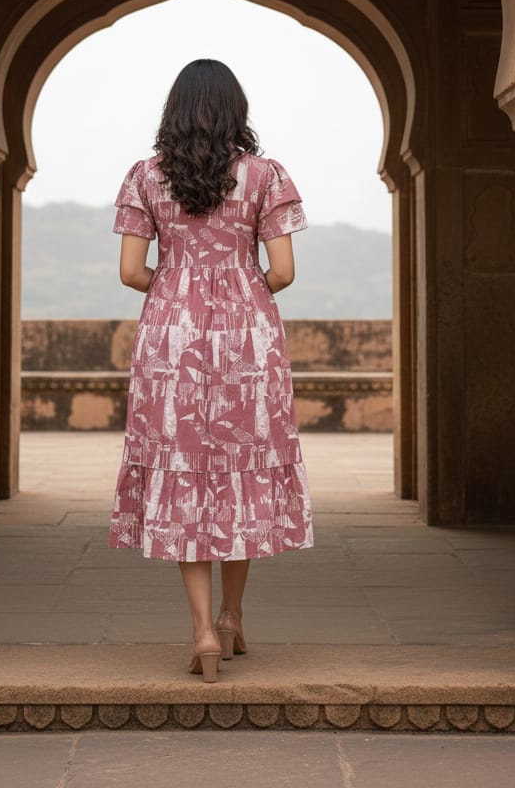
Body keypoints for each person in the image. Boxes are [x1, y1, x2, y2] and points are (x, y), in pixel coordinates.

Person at [107, 58, 314, 683]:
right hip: (248, 341)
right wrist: (240, 291)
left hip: (171, 338)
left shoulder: (146, 177)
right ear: (235, 110)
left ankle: (199, 632)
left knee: (184, 472)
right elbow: (283, 270)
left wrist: (177, 287)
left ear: (174, 110)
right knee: (239, 473)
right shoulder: (264, 176)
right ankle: (230, 618)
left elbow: (129, 272)